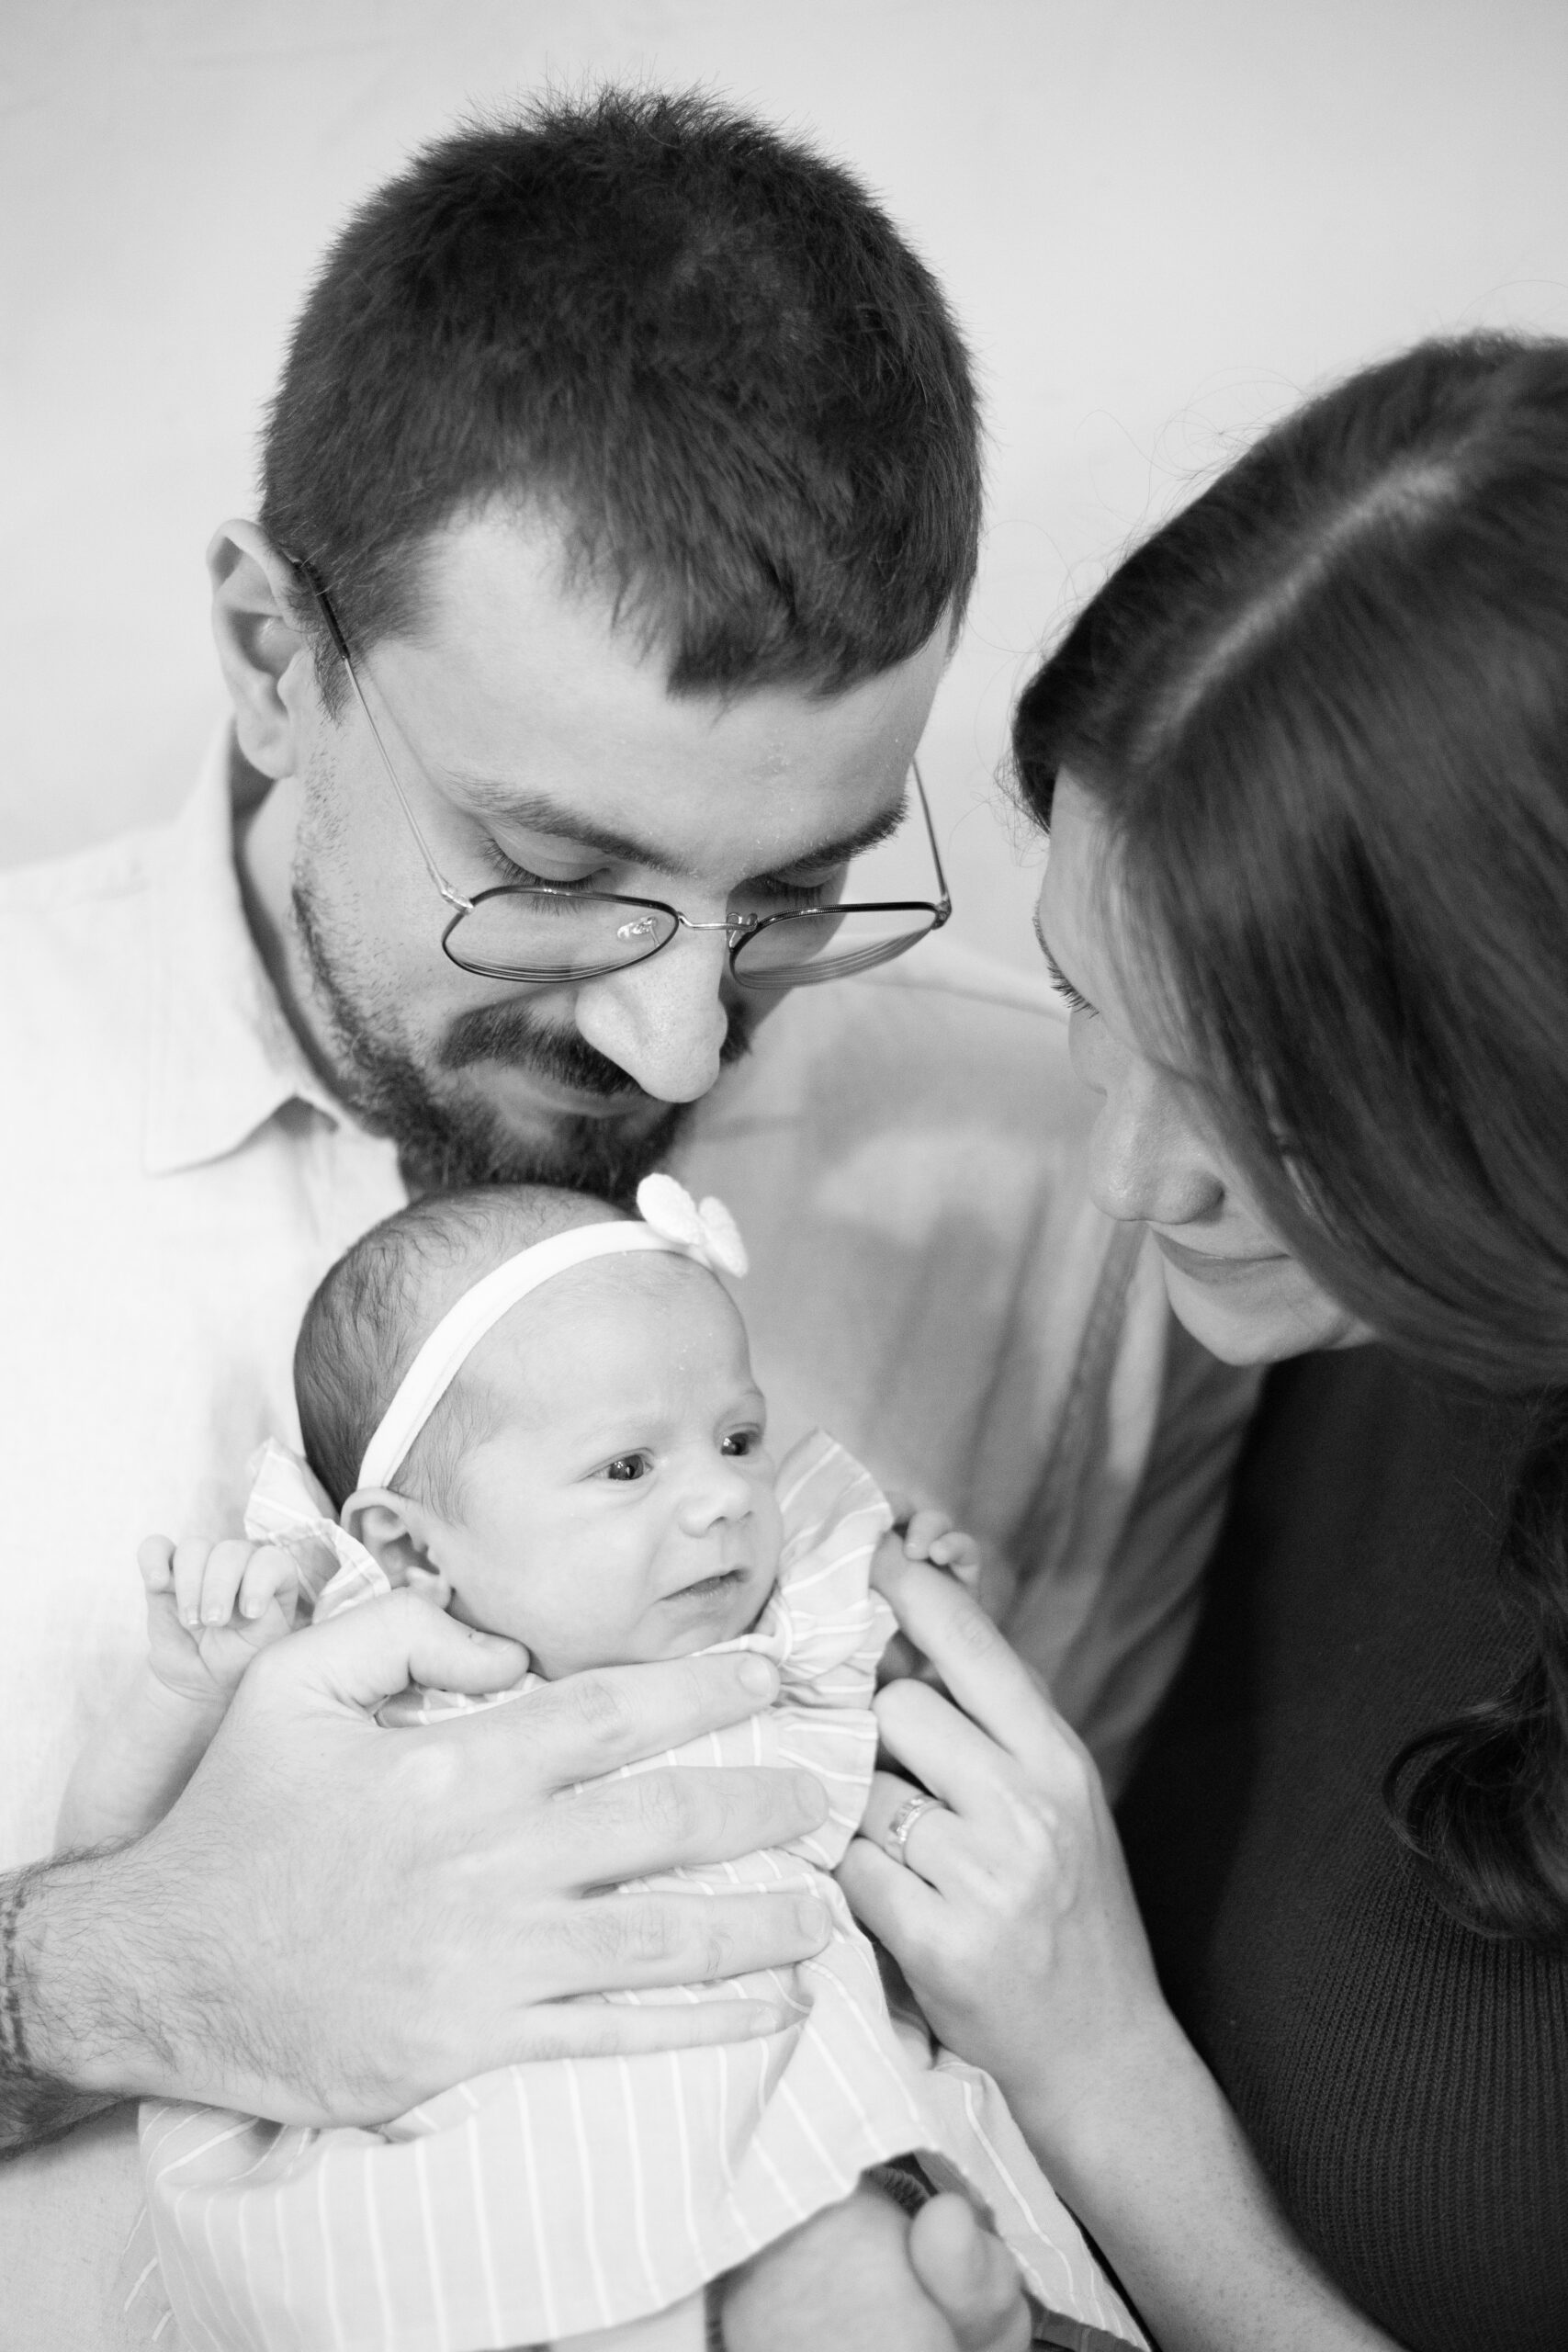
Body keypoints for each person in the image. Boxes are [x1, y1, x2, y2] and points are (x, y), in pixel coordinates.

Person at [0, 87, 1255, 2351]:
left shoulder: (1061, 1187)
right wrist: (108, 1973)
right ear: (276, 655)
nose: (676, 1034)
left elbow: (1025, 2012)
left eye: (795, 887)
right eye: (555, 874)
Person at [839, 331, 1568, 2352]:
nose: (1127, 1174)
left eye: (1268, 1098)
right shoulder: (1324, 1311)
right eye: (1091, 998)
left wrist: (1098, 2069)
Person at [66, 1173, 1143, 2351]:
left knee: (852, 2264)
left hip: (772, 2137)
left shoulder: (783, 1638)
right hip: (477, 2172)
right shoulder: (336, 1655)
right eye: (629, 1467)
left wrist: (916, 1657)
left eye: (738, 1440)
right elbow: (131, 1869)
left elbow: (923, 1822)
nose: (723, 1498)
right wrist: (189, 1691)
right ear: (410, 1549)